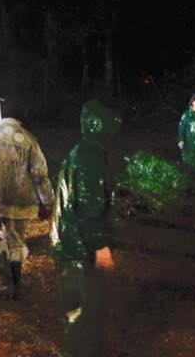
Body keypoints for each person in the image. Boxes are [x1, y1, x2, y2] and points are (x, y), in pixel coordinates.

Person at [51, 98, 122, 357]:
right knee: (84, 315)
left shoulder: (80, 152)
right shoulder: (89, 157)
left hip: (68, 244)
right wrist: (101, 245)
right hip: (78, 248)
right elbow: (90, 206)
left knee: (74, 313)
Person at [0, 103, 54, 300]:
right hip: (22, 203)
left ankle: (5, 283)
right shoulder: (30, 140)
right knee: (16, 241)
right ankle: (16, 285)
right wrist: (47, 201)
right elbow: (40, 174)